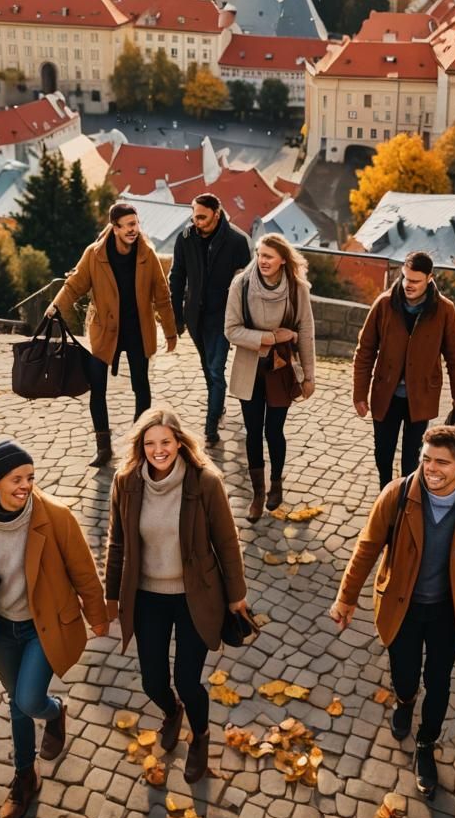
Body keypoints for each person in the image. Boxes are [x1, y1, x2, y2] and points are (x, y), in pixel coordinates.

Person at [328, 425, 455, 798]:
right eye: (426, 459)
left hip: (450, 611)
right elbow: (367, 548)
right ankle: (404, 698)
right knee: (405, 673)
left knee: (440, 681)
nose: (431, 469)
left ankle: (426, 744)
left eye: (441, 463)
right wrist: (345, 598)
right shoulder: (397, 494)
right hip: (402, 606)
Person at [0, 439, 109, 818]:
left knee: (29, 698)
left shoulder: (56, 516)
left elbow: (84, 571)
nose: (26, 485)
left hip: (43, 626)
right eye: (17, 478)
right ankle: (24, 777)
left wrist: (98, 616)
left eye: (30, 478)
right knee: (16, 703)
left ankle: (54, 710)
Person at [104, 408, 248, 784]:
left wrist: (237, 596)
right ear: (141, 447)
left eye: (166, 442)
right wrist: (111, 596)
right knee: (152, 681)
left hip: (194, 597)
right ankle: (172, 712)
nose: (159, 450)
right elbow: (117, 541)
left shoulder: (205, 482)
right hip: (148, 596)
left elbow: (227, 542)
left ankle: (200, 736)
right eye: (150, 443)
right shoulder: (126, 481)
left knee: (187, 680)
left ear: (179, 443)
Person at [47, 202, 177, 467]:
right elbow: (75, 285)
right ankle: (103, 446)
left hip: (138, 329)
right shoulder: (95, 254)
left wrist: (171, 332)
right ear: (115, 228)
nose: (134, 229)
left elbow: (162, 296)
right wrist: (55, 307)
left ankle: (139, 444)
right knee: (98, 387)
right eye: (128, 225)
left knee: (141, 387)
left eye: (136, 224)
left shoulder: (147, 254)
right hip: (104, 330)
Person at [353, 251, 455, 490]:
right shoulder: (384, 304)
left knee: (412, 458)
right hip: (386, 394)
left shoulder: (445, 310)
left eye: (415, 280)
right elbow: (364, 351)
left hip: (421, 397)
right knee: (382, 453)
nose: (408, 285)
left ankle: (407, 498)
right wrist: (359, 395)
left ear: (429, 278)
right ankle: (386, 493)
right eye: (405, 278)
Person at [224, 233, 315, 524]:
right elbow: (231, 330)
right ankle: (258, 493)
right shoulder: (241, 284)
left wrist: (309, 377)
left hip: (281, 370)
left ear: (282, 260)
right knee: (253, 432)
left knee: (274, 431)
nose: (262, 261)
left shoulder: (297, 289)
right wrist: (271, 336)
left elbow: (307, 332)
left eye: (268, 256)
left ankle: (276, 483)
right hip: (249, 368)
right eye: (260, 254)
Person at [168, 193, 252, 447]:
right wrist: (177, 317)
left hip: (223, 318)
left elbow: (247, 283)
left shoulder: (237, 241)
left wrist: (244, 320)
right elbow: (177, 277)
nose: (197, 222)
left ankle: (211, 424)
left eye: (202, 217)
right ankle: (219, 407)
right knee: (208, 368)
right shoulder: (185, 239)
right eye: (194, 217)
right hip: (195, 316)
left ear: (217, 214)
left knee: (216, 370)